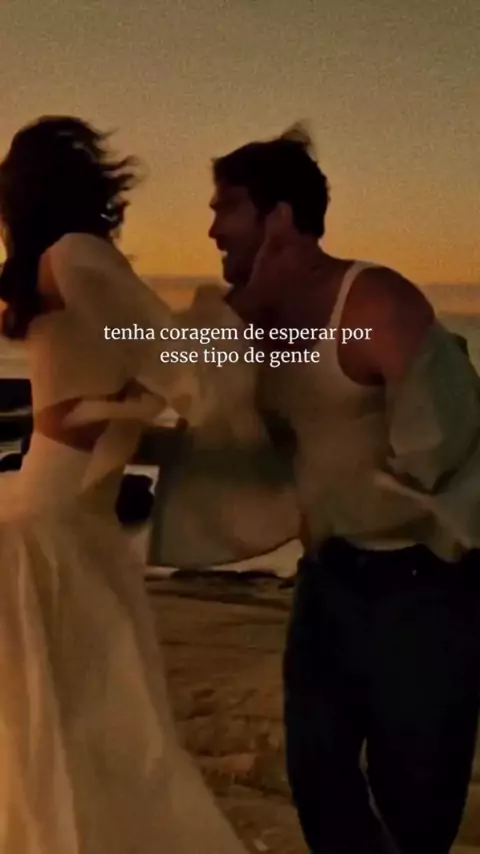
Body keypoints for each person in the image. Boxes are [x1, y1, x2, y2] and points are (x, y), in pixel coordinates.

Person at [147, 126, 480, 854]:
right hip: (327, 581)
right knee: (316, 771)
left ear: (280, 218)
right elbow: (192, 411)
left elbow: (445, 447)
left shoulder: (374, 303)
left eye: (227, 207)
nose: (211, 229)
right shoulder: (243, 321)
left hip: (425, 588)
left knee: (417, 798)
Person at [0, 115, 252, 854]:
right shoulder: (77, 255)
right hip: (60, 528)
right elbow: (176, 362)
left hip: (55, 510)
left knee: (66, 739)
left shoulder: (49, 267)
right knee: (107, 737)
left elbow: (102, 393)